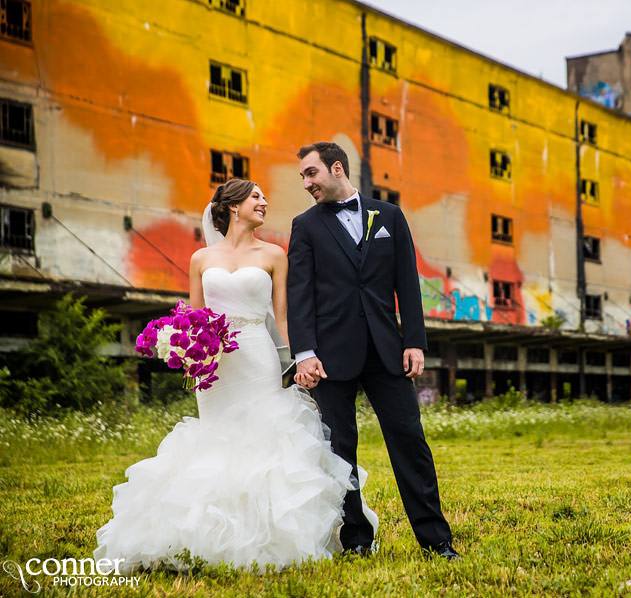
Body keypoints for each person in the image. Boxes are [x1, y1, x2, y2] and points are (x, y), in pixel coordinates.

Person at [94, 178, 376, 572]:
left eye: (264, 196)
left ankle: (272, 534)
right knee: (217, 438)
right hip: (215, 366)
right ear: (232, 205)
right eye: (256, 196)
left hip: (257, 355)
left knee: (262, 436)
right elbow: (192, 318)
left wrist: (301, 359)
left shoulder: (275, 254)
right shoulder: (200, 259)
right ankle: (205, 533)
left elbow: (282, 317)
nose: (265, 201)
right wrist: (186, 349)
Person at [288, 141, 457, 559]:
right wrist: (304, 352)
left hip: (387, 351)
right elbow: (300, 294)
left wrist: (415, 341)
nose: (306, 183)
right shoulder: (305, 226)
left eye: (312, 173)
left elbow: (407, 284)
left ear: (337, 168)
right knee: (338, 450)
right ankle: (356, 541)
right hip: (330, 356)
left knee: (410, 441)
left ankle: (436, 540)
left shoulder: (391, 217)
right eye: (303, 177)